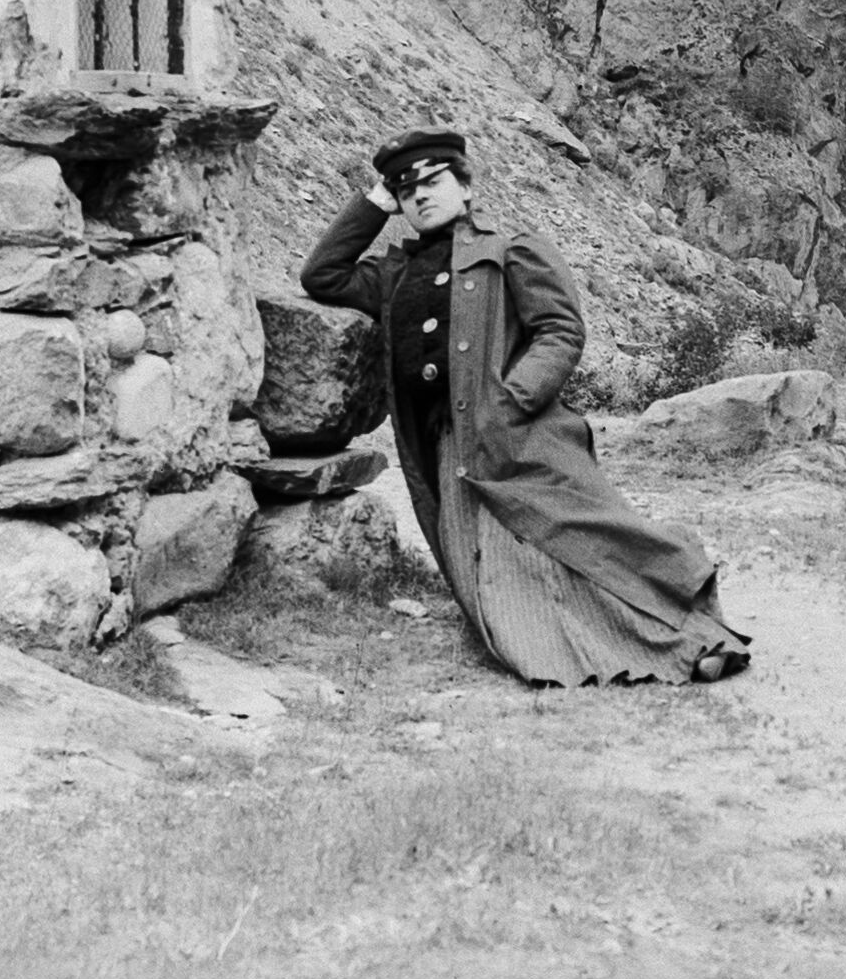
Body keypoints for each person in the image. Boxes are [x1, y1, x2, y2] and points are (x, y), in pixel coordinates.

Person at [297, 127, 751, 686]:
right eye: (405, 191)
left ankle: (694, 639)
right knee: (500, 576)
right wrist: (372, 204)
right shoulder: (392, 274)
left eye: (433, 182)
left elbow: (560, 330)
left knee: (586, 540)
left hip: (523, 434)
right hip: (451, 450)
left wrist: (512, 402)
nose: (420, 196)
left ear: (465, 188)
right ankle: (591, 648)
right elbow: (322, 275)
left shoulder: (513, 246)